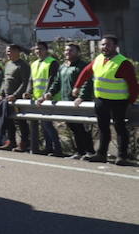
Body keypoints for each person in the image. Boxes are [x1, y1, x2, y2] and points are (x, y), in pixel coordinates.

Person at [73, 34, 137, 166]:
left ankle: (122, 156)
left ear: (115, 46)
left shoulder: (123, 62)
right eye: (102, 44)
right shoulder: (99, 59)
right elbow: (86, 72)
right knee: (103, 128)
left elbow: (133, 84)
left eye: (108, 44)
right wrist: (77, 86)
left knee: (119, 129)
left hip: (119, 101)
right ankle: (101, 154)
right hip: (101, 100)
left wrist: (130, 101)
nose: (104, 47)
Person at [57, 43, 96, 160]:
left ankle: (90, 152)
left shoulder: (83, 66)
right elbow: (57, 82)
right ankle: (80, 152)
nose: (67, 52)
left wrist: (82, 97)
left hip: (80, 103)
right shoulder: (63, 67)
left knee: (83, 128)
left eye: (71, 50)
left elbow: (87, 82)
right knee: (74, 128)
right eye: (66, 50)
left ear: (78, 52)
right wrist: (49, 93)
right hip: (67, 102)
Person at [0, 44, 31, 151]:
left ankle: (24, 143)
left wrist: (16, 95)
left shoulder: (23, 65)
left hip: (17, 99)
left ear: (17, 51)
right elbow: (5, 81)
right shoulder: (8, 64)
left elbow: (25, 82)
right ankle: (11, 142)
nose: (8, 53)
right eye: (7, 51)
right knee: (8, 120)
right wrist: (1, 94)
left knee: (20, 122)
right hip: (7, 99)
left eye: (10, 51)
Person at [27, 41, 64, 157]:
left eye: (41, 49)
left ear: (46, 50)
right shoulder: (34, 63)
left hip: (48, 98)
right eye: (36, 49)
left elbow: (52, 80)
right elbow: (31, 80)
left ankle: (57, 149)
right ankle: (49, 148)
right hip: (38, 98)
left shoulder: (52, 63)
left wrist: (45, 96)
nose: (38, 51)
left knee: (47, 125)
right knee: (44, 125)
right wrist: (28, 92)